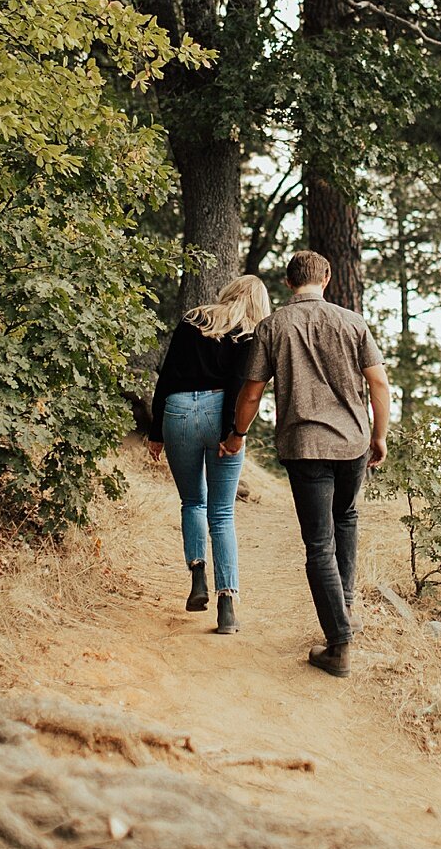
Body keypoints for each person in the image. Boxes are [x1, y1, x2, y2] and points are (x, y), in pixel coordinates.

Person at [224, 250, 390, 678]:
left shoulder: (273, 325)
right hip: (351, 442)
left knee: (319, 543)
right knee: (347, 520)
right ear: (328, 278)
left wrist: (237, 434)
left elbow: (252, 392)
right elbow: (378, 382)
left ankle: (339, 644)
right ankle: (346, 611)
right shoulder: (352, 322)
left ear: (288, 282)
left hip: (304, 445)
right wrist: (378, 436)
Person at [148, 275, 271, 634]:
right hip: (220, 412)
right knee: (222, 513)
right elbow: (239, 386)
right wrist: (232, 432)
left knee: (192, 502)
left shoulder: (195, 319)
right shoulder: (250, 334)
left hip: (178, 411)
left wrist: (156, 431)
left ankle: (198, 577)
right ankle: (227, 607)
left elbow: (166, 374)